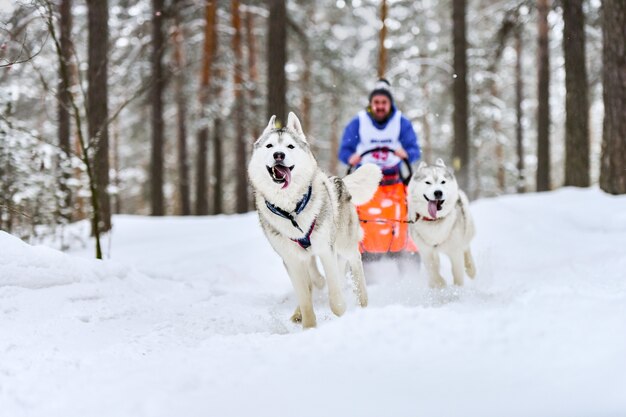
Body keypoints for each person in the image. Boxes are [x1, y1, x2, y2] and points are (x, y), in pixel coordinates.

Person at [338, 79, 421, 178]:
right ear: (370, 103)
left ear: (390, 104)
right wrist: (349, 157)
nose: (380, 106)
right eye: (376, 102)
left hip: (393, 177)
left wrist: (407, 154)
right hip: (364, 178)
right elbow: (344, 151)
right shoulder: (358, 122)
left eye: (384, 102)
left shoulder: (401, 122)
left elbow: (414, 150)